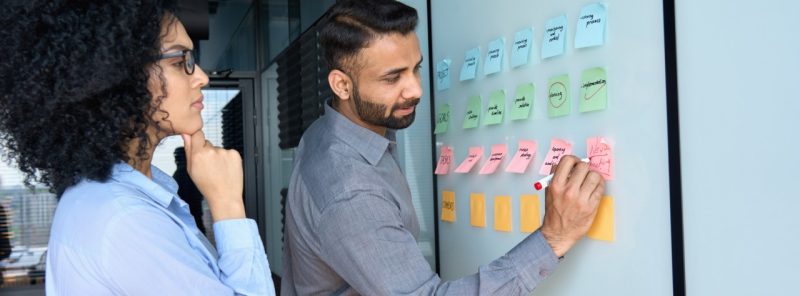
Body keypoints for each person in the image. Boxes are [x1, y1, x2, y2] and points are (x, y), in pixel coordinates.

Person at [281, 0, 605, 295]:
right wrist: (554, 237)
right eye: (392, 78)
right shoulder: (349, 191)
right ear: (342, 84)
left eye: (416, 68)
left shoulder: (328, 132)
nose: (416, 89)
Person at [0, 1, 275, 295]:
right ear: (119, 76)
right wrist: (228, 203)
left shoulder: (114, 197)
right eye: (180, 61)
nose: (202, 77)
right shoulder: (125, 221)